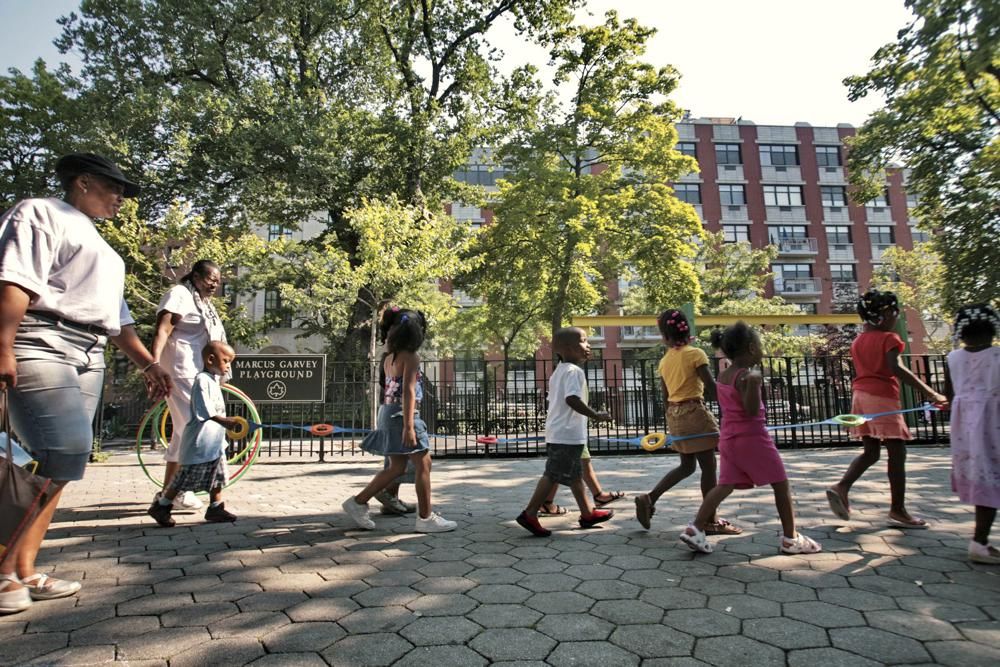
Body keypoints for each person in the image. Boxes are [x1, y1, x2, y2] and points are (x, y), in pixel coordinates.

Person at [0, 153, 171, 615]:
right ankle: (2, 572)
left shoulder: (101, 246)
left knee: (60, 466)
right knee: (63, 450)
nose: (120, 199)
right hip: (41, 338)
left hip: (89, 351)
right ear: (81, 182)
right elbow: (15, 279)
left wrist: (148, 365)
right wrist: (3, 345)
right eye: (113, 188)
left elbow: (118, 321)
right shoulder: (41, 212)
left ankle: (25, 570)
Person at [679, 322, 821, 555]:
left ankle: (696, 527)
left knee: (724, 486)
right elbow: (751, 410)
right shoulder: (746, 376)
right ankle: (790, 538)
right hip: (752, 438)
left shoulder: (724, 374)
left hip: (729, 439)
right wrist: (755, 384)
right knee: (781, 484)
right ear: (752, 348)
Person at [825, 290, 947, 528]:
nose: (896, 317)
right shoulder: (889, 339)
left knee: (871, 452)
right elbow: (896, 368)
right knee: (897, 453)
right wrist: (931, 393)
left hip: (860, 396)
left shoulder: (858, 341)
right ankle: (898, 509)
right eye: (894, 312)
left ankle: (841, 487)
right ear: (883, 315)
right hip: (882, 398)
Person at [341, 308, 456, 533]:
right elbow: (408, 392)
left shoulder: (389, 358)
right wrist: (409, 426)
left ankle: (358, 502)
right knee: (424, 464)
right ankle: (425, 518)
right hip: (402, 415)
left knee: (397, 467)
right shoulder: (411, 357)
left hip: (386, 411)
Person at [634, 310, 740, 535]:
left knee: (687, 466)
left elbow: (664, 396)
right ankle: (710, 519)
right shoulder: (695, 354)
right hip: (694, 412)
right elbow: (711, 386)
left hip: (675, 414)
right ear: (687, 330)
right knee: (709, 467)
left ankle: (649, 498)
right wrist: (732, 406)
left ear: (665, 335)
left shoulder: (664, 361)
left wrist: (671, 418)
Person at [516, 327, 614, 537]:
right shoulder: (574, 371)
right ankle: (530, 513)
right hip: (567, 434)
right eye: (584, 341)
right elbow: (572, 399)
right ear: (569, 348)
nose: (589, 346)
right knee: (552, 474)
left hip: (561, 432)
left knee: (576, 475)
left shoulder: (559, 371)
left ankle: (588, 513)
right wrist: (596, 415)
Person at [150, 259, 228, 511]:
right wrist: (153, 365)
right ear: (194, 276)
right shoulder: (180, 294)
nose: (214, 285)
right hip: (184, 371)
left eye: (217, 281)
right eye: (210, 279)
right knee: (201, 433)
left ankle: (167, 493)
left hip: (202, 374)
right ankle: (182, 492)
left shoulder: (205, 304)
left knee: (183, 435)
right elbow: (162, 330)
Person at [147, 341, 239, 527]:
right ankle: (162, 505)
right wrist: (224, 421)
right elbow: (203, 409)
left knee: (217, 475)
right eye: (226, 360)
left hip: (214, 440)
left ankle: (216, 507)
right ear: (210, 359)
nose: (228, 365)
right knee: (185, 476)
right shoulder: (202, 380)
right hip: (200, 440)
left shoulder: (214, 380)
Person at [944, 304, 1000, 564]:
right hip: (992, 423)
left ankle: (980, 539)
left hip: (966, 427)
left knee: (985, 476)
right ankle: (979, 542)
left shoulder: (953, 359)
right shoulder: (997, 357)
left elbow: (950, 394)